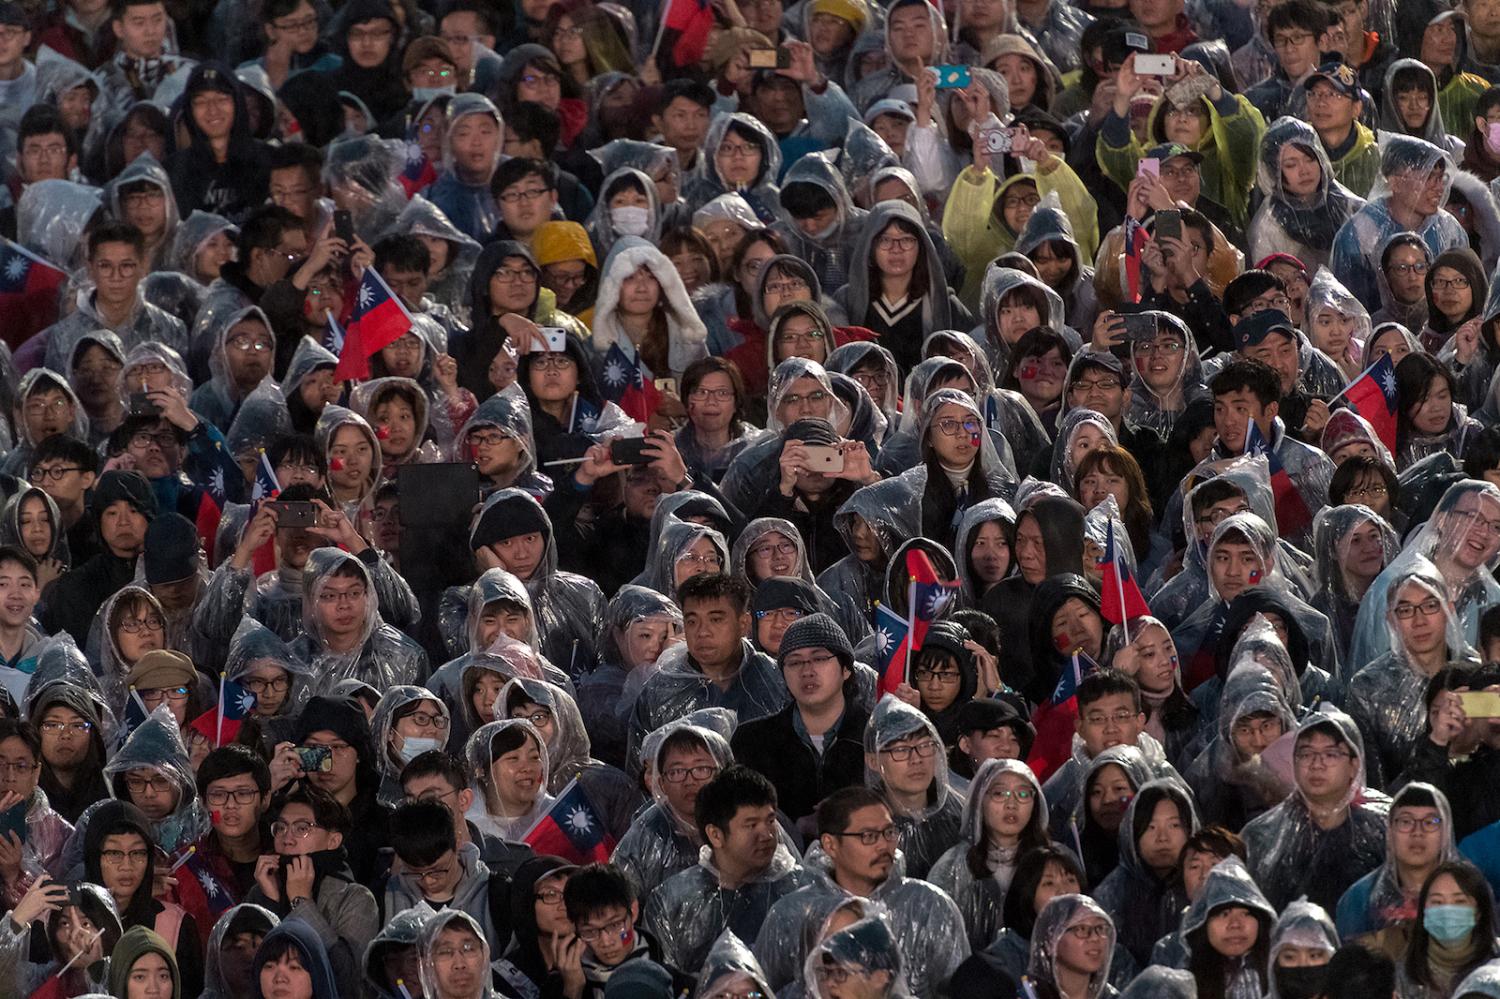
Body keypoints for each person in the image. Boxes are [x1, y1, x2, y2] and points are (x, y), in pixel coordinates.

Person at [641, 764, 812, 974]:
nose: (767, 835)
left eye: (770, 821)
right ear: (715, 835)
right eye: (751, 825)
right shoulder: (671, 902)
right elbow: (661, 980)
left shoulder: (804, 891)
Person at [1241, 708, 1388, 912]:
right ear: (1294, 762)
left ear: (1354, 765)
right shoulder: (1262, 835)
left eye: (1330, 754)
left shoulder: (1386, 825)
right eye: (1306, 754)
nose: (1317, 764)